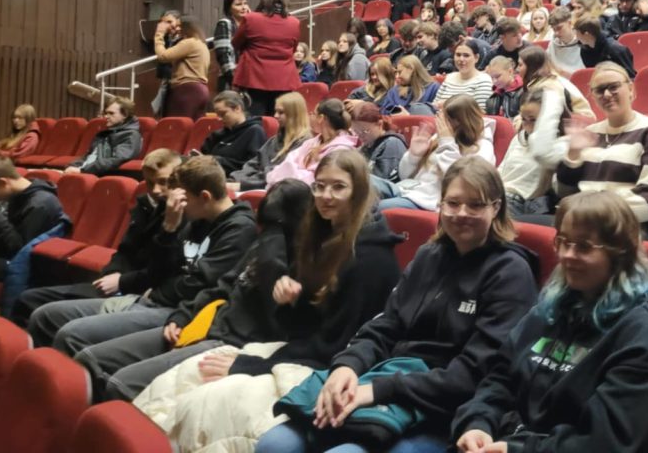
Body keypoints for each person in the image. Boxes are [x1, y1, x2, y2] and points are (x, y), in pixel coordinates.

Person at [257, 157, 539, 453]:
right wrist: (348, 366)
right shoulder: (429, 256)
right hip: (388, 381)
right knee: (275, 445)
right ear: (440, 204)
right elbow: (385, 325)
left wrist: (378, 390)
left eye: (476, 205)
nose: (461, 213)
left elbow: (474, 374)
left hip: (444, 407)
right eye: (453, 203)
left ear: (496, 207)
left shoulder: (510, 273)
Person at [133, 153, 402, 451]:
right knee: (182, 378)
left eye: (338, 187)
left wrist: (250, 365)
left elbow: (336, 347)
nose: (326, 195)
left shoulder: (371, 258)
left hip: (327, 367)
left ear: (359, 191)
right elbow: (297, 326)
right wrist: (288, 302)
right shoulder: (320, 237)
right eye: (319, 186)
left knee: (204, 405)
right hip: (294, 351)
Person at [453, 191, 648, 453]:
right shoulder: (550, 310)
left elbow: (606, 443)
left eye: (584, 247)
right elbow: (500, 379)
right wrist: (478, 423)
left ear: (620, 253)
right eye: (563, 242)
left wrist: (517, 449)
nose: (567, 255)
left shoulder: (646, 335)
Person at [29, 157, 257, 397]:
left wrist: (158, 288)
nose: (174, 204)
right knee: (45, 316)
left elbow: (198, 286)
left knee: (73, 337)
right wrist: (169, 228)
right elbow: (158, 270)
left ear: (205, 197)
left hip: (175, 311)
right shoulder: (196, 219)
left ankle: (66, 406)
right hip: (151, 300)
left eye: (182, 199)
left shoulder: (239, 229)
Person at [95, 179, 314, 401]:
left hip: (230, 344)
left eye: (276, 227)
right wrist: (183, 315)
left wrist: (275, 268)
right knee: (93, 358)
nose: (268, 235)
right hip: (200, 323)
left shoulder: (302, 264)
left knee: (120, 384)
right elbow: (221, 287)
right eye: (266, 227)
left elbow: (284, 329)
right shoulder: (261, 244)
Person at [11, 149, 182, 327]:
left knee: (45, 311)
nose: (155, 190)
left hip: (138, 292)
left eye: (164, 182)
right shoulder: (144, 206)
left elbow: (162, 270)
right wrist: (113, 273)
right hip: (119, 284)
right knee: (29, 299)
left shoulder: (181, 216)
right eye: (150, 183)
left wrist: (121, 282)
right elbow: (125, 250)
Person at [557, 62, 648, 240]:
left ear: (630, 89)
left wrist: (596, 214)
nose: (607, 94)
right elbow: (563, 192)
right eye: (599, 90)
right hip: (582, 221)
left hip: (627, 227)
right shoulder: (589, 133)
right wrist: (573, 155)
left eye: (613, 87)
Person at [382, 96, 495, 211]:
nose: (442, 124)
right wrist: (414, 155)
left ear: (462, 121)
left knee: (376, 208)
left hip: (429, 201)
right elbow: (404, 175)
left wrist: (447, 143)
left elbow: (461, 183)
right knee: (371, 185)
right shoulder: (440, 137)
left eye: (447, 120)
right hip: (408, 189)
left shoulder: (482, 147)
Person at [0, 156, 68, 290]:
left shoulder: (40, 204)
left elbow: (21, 251)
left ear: (2, 183)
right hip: (3, 254)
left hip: (24, 266)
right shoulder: (19, 195)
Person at [497, 88, 569, 216]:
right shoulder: (520, 137)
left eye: (533, 120)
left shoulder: (561, 144)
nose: (527, 125)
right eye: (524, 119)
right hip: (500, 195)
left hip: (526, 204)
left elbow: (542, 154)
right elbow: (502, 169)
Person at [233, 0, 301, 116]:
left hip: (255, 77)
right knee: (279, 119)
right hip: (284, 79)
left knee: (255, 119)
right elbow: (292, 48)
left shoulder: (251, 18)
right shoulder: (294, 22)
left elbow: (236, 43)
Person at [229, 92, 312, 190]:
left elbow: (279, 175)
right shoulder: (275, 139)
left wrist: (243, 185)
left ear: (294, 115)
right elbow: (254, 163)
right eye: (275, 111)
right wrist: (234, 178)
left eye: (281, 112)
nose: (275, 115)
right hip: (255, 183)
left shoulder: (305, 143)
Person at [267, 100, 360, 187]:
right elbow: (285, 164)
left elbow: (317, 179)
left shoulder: (342, 149)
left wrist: (291, 171)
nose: (310, 116)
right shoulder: (311, 142)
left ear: (321, 118)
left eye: (313, 114)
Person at [153, 14, 211, 120]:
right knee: (195, 126)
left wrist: (159, 34)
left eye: (180, 26)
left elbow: (163, 56)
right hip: (201, 89)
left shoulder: (189, 43)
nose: (177, 29)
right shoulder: (202, 44)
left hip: (187, 89)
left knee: (178, 124)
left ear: (189, 27)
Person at [65, 97, 142, 176]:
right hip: (86, 171)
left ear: (125, 115)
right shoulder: (105, 134)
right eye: (106, 113)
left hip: (96, 174)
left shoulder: (131, 135)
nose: (106, 116)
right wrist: (72, 166)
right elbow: (89, 156)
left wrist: (82, 170)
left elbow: (114, 160)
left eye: (111, 113)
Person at [199, 91, 267, 176]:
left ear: (237, 108)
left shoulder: (255, 131)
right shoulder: (219, 133)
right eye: (218, 115)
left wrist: (217, 161)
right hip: (212, 176)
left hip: (234, 178)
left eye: (223, 114)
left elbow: (253, 167)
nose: (219, 119)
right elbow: (204, 153)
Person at [517, 45, 592, 117]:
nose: (517, 69)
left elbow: (552, 116)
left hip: (579, 121)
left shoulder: (548, 86)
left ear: (532, 66)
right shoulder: (544, 81)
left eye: (520, 65)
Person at [350, 103, 408, 182]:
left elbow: (381, 183)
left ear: (379, 124)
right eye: (356, 131)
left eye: (365, 131)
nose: (360, 136)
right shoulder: (368, 144)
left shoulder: (392, 144)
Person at [433, 40, 494, 109]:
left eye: (466, 55)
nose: (461, 59)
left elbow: (481, 111)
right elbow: (434, 106)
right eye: (458, 55)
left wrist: (447, 105)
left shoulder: (483, 80)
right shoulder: (449, 77)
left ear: (476, 58)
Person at [214, 0, 250, 92]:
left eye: (245, 3)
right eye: (238, 4)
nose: (244, 7)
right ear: (229, 9)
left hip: (248, 79)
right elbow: (223, 55)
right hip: (230, 79)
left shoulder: (249, 24)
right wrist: (234, 79)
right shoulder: (224, 24)